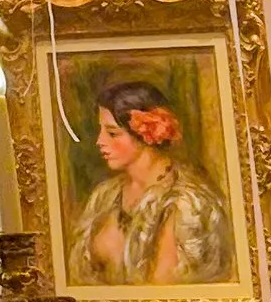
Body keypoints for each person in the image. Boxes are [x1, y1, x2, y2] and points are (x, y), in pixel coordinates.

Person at [72, 75, 233, 285]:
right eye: (101, 131)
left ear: (145, 133)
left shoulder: (188, 203)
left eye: (112, 133)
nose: (99, 142)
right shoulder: (104, 196)